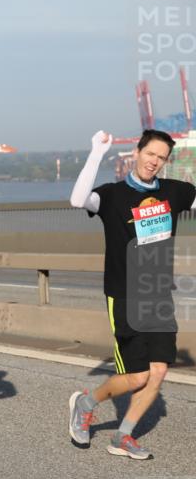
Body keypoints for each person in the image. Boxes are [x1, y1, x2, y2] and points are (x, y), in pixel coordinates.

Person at [68, 129, 196, 459]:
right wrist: (97, 151)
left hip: (158, 295)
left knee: (158, 371)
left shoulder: (175, 192)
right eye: (150, 153)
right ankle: (87, 402)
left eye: (161, 157)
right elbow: (78, 200)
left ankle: (122, 436)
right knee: (137, 376)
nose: (154, 161)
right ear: (137, 152)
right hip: (125, 295)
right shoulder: (112, 195)